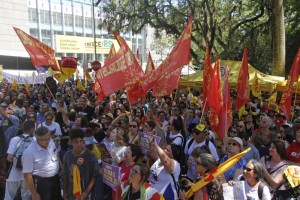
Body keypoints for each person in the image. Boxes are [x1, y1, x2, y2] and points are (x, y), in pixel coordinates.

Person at [22, 126, 62, 200]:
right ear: (37, 138)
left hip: (55, 180)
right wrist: (34, 193)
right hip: (41, 183)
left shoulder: (51, 142)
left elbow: (55, 155)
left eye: (48, 138)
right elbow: (27, 174)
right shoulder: (29, 152)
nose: (47, 141)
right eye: (44, 140)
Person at [63, 128, 99, 200]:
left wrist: (85, 193)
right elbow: (65, 174)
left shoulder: (91, 156)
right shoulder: (67, 155)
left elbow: (94, 176)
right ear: (71, 142)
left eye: (81, 141)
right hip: (71, 193)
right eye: (76, 142)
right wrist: (64, 192)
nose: (79, 144)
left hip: (87, 195)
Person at [5, 120, 35, 200]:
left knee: (9, 197)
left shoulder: (15, 139)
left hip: (13, 175)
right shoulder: (35, 140)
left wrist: (17, 163)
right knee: (26, 197)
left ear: (22, 128)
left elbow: (9, 158)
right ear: (33, 129)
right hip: (28, 175)